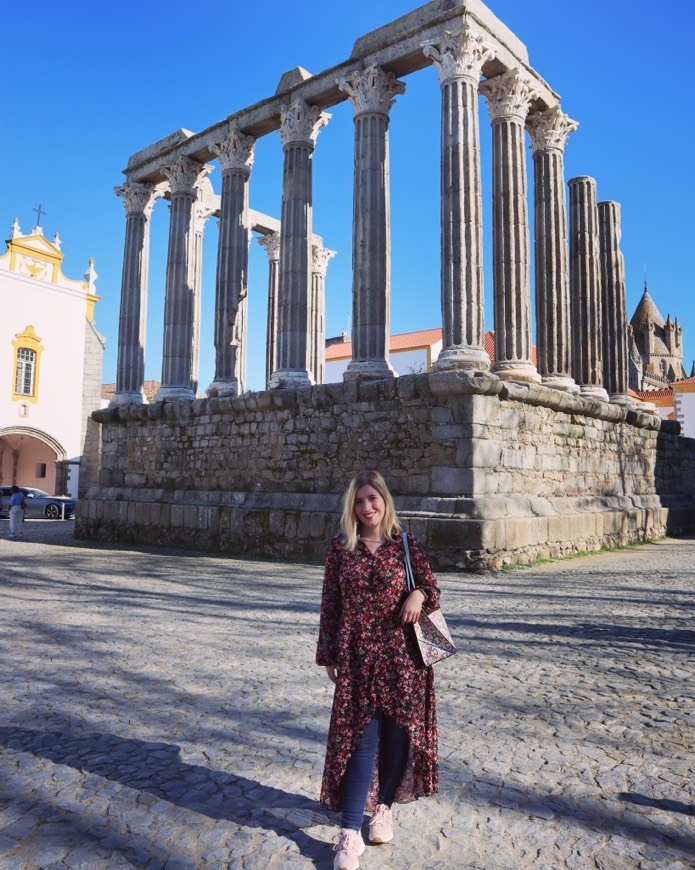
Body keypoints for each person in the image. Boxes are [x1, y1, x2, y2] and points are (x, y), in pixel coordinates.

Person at [317, 470, 441, 870]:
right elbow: (331, 605)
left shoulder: (405, 543)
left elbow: (432, 589)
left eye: (373, 499)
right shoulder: (341, 548)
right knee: (359, 741)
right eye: (359, 501)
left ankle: (383, 807)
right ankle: (349, 832)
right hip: (357, 657)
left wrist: (418, 594)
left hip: (403, 657)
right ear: (350, 508)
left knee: (396, 736)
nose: (367, 507)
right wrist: (329, 655)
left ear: (385, 501)